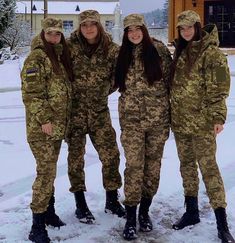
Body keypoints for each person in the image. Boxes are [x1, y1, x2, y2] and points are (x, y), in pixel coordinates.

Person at [170, 10, 234, 243]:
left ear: (198, 27)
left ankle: (222, 223)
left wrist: (218, 116)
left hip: (202, 123)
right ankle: (191, 212)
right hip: (180, 123)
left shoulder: (212, 54)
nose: (186, 32)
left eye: (190, 27)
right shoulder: (182, 51)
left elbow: (220, 87)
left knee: (209, 169)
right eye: (182, 28)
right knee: (187, 167)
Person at [114, 14, 172, 240]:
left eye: (138, 29)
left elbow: (171, 83)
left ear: (145, 30)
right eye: (130, 30)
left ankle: (145, 212)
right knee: (134, 167)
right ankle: (130, 217)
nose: (134, 33)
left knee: (152, 168)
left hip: (158, 122)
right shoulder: (122, 55)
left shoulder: (159, 52)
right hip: (131, 123)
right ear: (126, 33)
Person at [67, 9, 125, 224]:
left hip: (100, 112)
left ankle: (112, 200)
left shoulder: (111, 49)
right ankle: (80, 204)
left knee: (111, 155)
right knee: (75, 159)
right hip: (75, 113)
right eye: (84, 25)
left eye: (92, 24)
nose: (88, 28)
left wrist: (105, 89)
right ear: (79, 27)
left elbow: (120, 74)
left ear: (99, 25)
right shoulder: (68, 47)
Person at [21, 17, 73, 243]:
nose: (54, 37)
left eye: (58, 33)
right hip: (42, 129)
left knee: (50, 172)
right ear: (43, 34)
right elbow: (31, 94)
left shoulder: (59, 57)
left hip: (56, 128)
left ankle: (49, 213)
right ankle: (37, 225)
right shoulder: (37, 57)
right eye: (50, 33)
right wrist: (44, 120)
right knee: (45, 173)